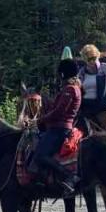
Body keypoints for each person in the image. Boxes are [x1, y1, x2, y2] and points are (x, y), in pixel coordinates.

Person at [30, 57, 82, 194]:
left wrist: (38, 121)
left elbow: (59, 112)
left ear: (64, 74)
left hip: (60, 128)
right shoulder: (71, 88)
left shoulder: (70, 89)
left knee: (40, 155)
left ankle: (68, 176)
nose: (59, 77)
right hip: (59, 127)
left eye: (60, 74)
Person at [77, 44, 106, 133]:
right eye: (89, 59)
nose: (92, 61)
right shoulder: (82, 72)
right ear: (85, 60)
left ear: (98, 56)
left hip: (103, 107)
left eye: (94, 58)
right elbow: (77, 88)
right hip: (86, 108)